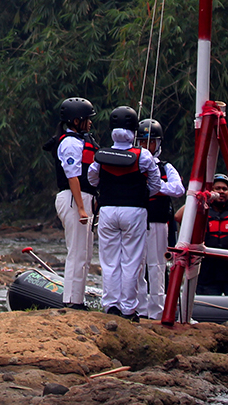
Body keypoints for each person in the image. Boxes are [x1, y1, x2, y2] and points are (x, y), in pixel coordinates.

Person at [87, 106, 162, 320]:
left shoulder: (101, 155)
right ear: (134, 130)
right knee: (132, 261)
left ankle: (111, 305)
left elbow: (92, 179)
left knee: (109, 261)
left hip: (107, 210)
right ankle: (128, 309)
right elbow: (155, 185)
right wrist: (140, 193)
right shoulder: (143, 155)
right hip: (134, 211)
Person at [46, 97, 98, 308]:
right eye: (87, 119)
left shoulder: (80, 141)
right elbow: (72, 176)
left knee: (85, 253)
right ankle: (71, 300)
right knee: (76, 252)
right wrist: (82, 208)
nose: (90, 123)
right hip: (73, 198)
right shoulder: (69, 143)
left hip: (83, 197)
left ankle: (77, 298)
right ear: (76, 121)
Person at [176, 173, 228, 296]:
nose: (221, 192)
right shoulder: (201, 213)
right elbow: (178, 216)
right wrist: (198, 197)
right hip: (207, 276)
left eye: (224, 189)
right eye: (217, 188)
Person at [136, 118, 184, 318]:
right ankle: (138, 308)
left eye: (151, 142)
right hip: (136, 221)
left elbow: (178, 189)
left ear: (158, 144)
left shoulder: (165, 167)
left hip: (158, 221)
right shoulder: (132, 163)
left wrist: (156, 186)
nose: (146, 146)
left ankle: (157, 310)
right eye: (142, 142)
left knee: (157, 266)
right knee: (136, 265)